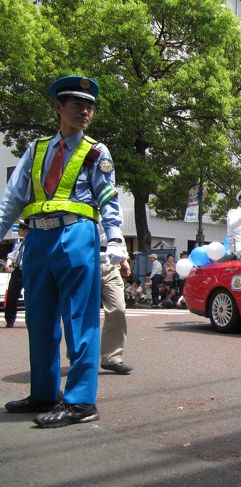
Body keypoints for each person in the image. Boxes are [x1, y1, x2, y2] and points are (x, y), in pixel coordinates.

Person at [0, 75, 126, 428]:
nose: (86, 111)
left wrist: (115, 239)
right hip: (37, 240)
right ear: (59, 108)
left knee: (78, 318)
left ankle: (81, 401)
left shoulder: (96, 151)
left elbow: (107, 197)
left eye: (90, 106)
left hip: (76, 236)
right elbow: (12, 198)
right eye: (77, 104)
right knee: (39, 320)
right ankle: (43, 392)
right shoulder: (36, 149)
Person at [99, 225, 132, 375]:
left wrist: (123, 258)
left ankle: (111, 358)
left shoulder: (113, 204)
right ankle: (79, 358)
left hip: (110, 264)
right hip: (85, 261)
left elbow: (116, 231)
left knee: (118, 309)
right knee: (83, 313)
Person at [4, 220, 28, 328]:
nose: (18, 231)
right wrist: (8, 264)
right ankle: (10, 320)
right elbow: (12, 255)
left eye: (20, 229)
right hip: (18, 271)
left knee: (31, 296)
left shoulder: (33, 243)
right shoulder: (20, 243)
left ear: (25, 230)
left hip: (29, 271)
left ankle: (31, 320)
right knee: (12, 296)